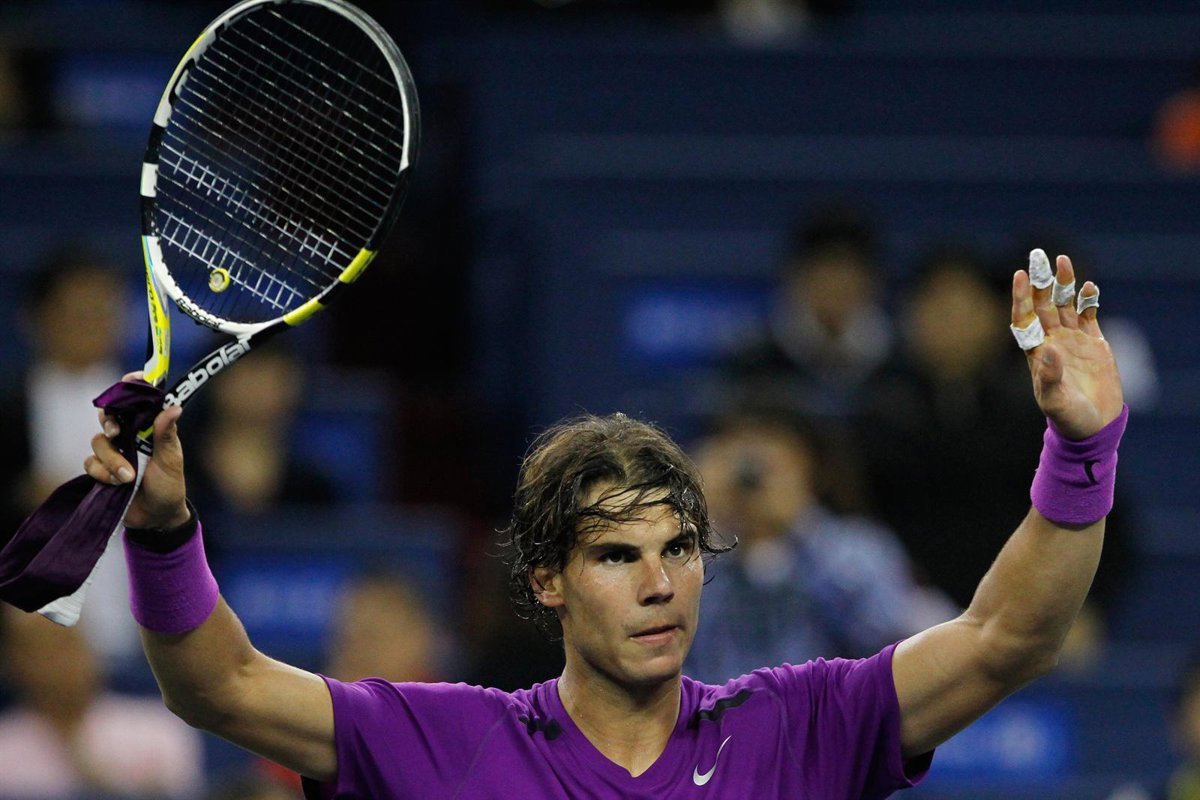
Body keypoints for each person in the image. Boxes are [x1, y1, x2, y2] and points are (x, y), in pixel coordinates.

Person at [81, 249, 1125, 797]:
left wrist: (1082, 452)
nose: (660, 583)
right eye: (618, 555)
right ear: (546, 579)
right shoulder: (444, 743)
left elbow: (1008, 636)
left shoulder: (801, 727)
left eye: (679, 549)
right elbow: (217, 685)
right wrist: (164, 527)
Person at [686, 408, 954, 682]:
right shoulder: (702, 556)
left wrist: (800, 526)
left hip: (831, 705)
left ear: (810, 467)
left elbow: (896, 638)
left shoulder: (857, 547)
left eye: (773, 464)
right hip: (724, 706)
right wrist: (698, 511)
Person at [0, 606, 204, 799]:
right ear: (15, 664)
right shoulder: (4, 750)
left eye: (67, 645)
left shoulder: (158, 728)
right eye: (44, 653)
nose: (60, 664)